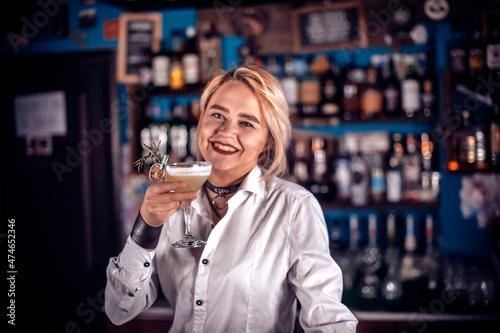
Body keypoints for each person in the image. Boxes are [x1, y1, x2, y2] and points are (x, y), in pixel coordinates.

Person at [105, 65, 358, 332]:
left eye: (247, 123)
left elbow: (328, 319)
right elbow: (119, 311)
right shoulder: (167, 201)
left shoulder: (294, 207)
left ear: (268, 141)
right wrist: (145, 229)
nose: (226, 131)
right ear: (200, 121)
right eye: (217, 115)